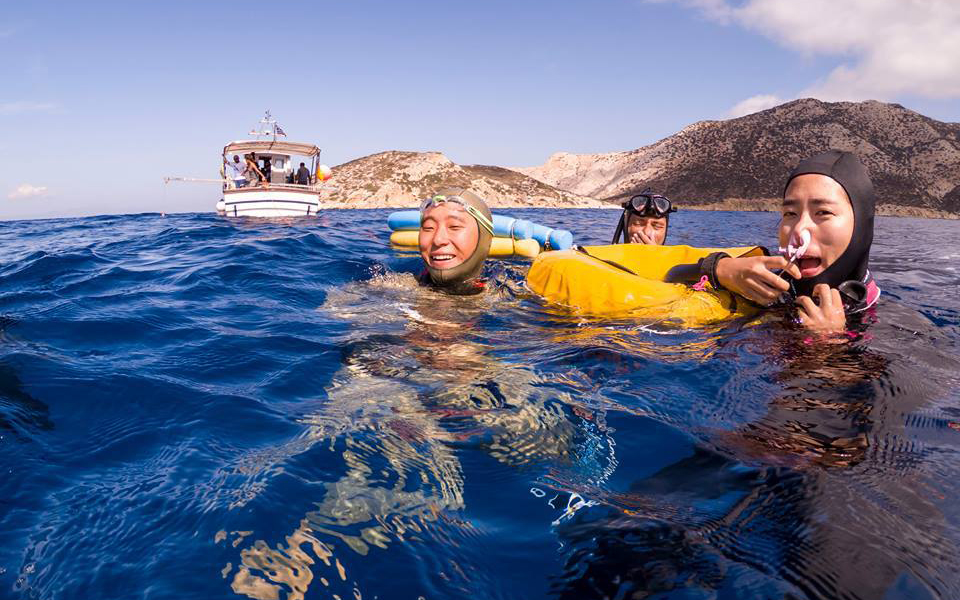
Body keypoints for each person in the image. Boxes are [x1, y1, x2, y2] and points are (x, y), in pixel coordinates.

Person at [684, 150, 880, 333]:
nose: (799, 229)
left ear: (861, 225)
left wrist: (829, 349)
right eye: (790, 213)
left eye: (823, 212)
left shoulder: (896, 330)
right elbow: (666, 275)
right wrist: (718, 269)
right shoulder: (763, 285)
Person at [417, 187, 495, 295]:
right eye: (428, 228)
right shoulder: (396, 285)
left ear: (484, 238)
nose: (438, 240)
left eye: (454, 226)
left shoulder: (514, 295)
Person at [611, 191, 676, 245]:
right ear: (626, 226)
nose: (647, 232)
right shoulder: (607, 257)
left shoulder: (679, 260)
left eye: (657, 226)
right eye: (638, 223)